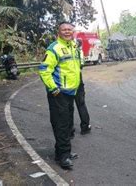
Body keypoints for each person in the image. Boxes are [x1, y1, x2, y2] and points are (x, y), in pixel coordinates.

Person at [39, 22, 80, 169]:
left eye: (70, 29)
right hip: (59, 94)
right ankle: (63, 157)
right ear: (59, 32)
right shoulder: (54, 48)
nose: (67, 31)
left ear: (73, 31)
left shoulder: (74, 46)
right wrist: (54, 89)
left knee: (68, 124)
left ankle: (62, 153)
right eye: (64, 29)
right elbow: (44, 70)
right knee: (61, 125)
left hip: (70, 93)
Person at [70, 39, 91, 138]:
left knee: (68, 106)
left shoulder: (62, 49)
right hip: (77, 79)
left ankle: (70, 129)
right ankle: (85, 127)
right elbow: (81, 64)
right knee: (81, 104)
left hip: (66, 81)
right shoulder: (79, 51)